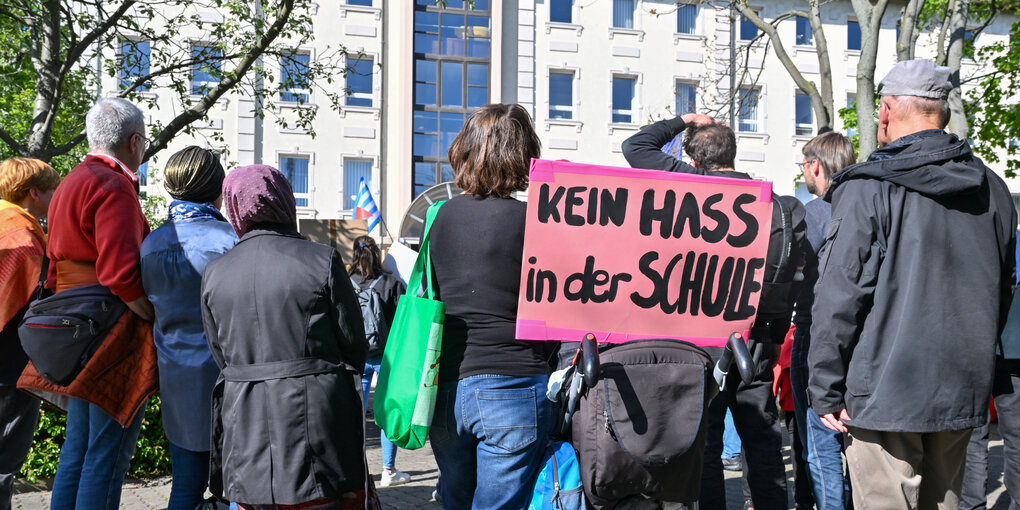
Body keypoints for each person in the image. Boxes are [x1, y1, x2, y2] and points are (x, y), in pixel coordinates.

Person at [808, 59, 1016, 510]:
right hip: (960, 386)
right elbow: (1001, 290)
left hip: (884, 391)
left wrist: (824, 385)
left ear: (884, 111)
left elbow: (839, 295)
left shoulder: (865, 188)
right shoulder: (993, 188)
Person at [623, 116, 806, 510]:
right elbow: (779, 284)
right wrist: (773, 343)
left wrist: (685, 119)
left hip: (697, 346)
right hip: (752, 343)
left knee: (705, 447)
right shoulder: (771, 205)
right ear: (733, 151)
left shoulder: (692, 188)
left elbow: (635, 149)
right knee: (763, 444)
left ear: (694, 159)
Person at [200, 164, 369, 508]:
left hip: (244, 418)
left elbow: (221, 354)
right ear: (285, 199)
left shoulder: (215, 273)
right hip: (318, 420)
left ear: (234, 206)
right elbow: (353, 343)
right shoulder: (322, 259)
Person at [17, 98, 158, 510]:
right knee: (107, 452)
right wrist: (151, 315)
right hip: (107, 328)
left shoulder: (72, 181)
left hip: (77, 323)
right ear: (135, 142)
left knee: (78, 448)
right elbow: (120, 274)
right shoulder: (113, 184)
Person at [428, 103, 559, 509]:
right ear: (523, 154)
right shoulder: (537, 222)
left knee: (456, 498)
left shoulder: (438, 216)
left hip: (444, 388)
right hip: (514, 383)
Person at [140, 147, 236, 510]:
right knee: (234, 490)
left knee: (184, 487)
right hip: (225, 383)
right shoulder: (230, 241)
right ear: (219, 187)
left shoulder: (151, 244)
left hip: (176, 380)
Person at [789, 131, 855, 510]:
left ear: (816, 165)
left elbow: (794, 276)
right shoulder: (867, 207)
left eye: (803, 166)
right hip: (860, 336)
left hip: (814, 334)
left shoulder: (811, 215)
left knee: (819, 442)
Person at [0, 158, 60, 510]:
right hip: (10, 366)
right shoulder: (22, 234)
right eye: (52, 190)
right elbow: (36, 299)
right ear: (34, 193)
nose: (56, 196)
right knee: (5, 459)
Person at [348, 234, 410, 487]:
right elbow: (403, 320)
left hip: (357, 357)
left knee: (355, 416)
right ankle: (388, 470)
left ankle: (356, 471)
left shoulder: (344, 281)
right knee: (386, 414)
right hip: (387, 356)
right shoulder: (392, 282)